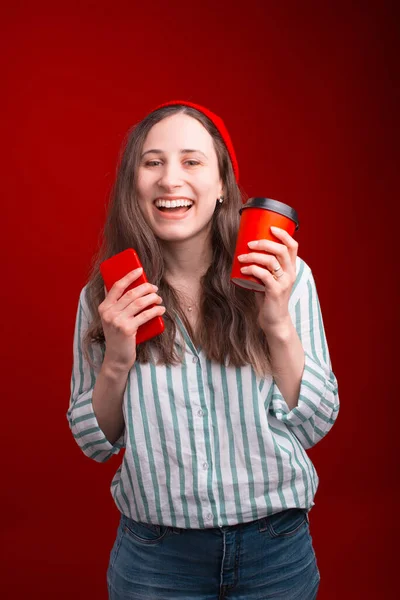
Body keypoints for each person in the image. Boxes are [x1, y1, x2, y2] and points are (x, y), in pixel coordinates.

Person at [67, 100, 339, 600]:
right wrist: (118, 359)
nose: (171, 179)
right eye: (153, 162)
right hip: (155, 556)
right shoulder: (106, 296)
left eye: (192, 162)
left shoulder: (285, 279)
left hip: (274, 547)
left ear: (221, 187)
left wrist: (276, 323)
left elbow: (315, 425)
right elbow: (94, 442)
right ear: (134, 183)